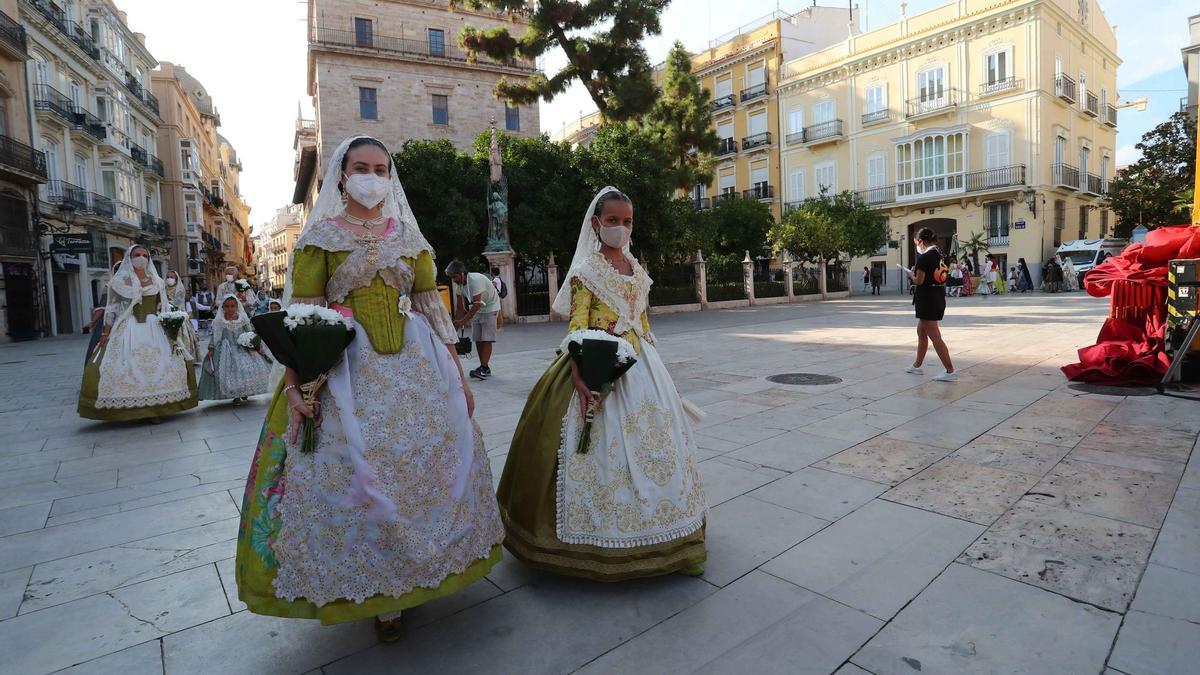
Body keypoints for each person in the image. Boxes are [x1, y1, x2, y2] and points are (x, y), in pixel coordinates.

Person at [234, 135, 502, 642]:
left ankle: (422, 568)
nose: (372, 177)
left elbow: (430, 308)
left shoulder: (409, 238)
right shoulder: (319, 240)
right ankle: (378, 592)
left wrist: (458, 376)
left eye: (381, 169)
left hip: (416, 366)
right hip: (341, 370)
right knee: (356, 471)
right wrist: (296, 388)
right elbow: (302, 321)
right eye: (362, 167)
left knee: (423, 462)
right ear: (342, 174)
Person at [496, 187, 707, 582]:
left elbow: (642, 324)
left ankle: (677, 542)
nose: (621, 228)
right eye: (613, 221)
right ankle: (584, 547)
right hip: (595, 362)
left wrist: (658, 370)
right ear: (596, 224)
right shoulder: (586, 272)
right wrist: (581, 373)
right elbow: (578, 325)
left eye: (627, 221)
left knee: (658, 450)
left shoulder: (637, 270)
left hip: (642, 366)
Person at [78, 246, 198, 422]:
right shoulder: (119, 282)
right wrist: (105, 333)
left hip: (155, 328)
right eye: (137, 255)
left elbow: (162, 306)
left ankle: (157, 409)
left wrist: (171, 327)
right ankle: (131, 409)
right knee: (118, 366)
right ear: (129, 258)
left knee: (162, 366)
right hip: (127, 327)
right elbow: (111, 310)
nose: (141, 258)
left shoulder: (156, 282)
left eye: (144, 255)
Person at [902, 227, 956, 382]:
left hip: (927, 299)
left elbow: (919, 281)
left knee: (935, 336)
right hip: (938, 296)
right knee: (921, 332)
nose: (916, 247)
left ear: (921, 241)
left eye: (916, 243)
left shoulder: (924, 258)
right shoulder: (941, 255)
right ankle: (917, 365)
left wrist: (910, 274)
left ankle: (950, 370)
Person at [199, 294, 271, 404]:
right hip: (226, 348)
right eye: (227, 306)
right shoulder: (220, 320)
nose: (230, 309)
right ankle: (236, 395)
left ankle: (245, 391)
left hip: (242, 347)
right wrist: (211, 348)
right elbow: (216, 335)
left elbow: (249, 332)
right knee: (230, 372)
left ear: (237, 306)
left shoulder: (242, 318)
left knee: (246, 370)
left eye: (232, 306)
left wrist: (253, 343)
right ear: (223, 307)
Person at [446, 260, 501, 380]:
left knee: (486, 338)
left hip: (490, 307)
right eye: (451, 278)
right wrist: (455, 327)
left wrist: (464, 321)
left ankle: (484, 367)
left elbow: (477, 304)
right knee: (477, 338)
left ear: (461, 273)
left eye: (454, 277)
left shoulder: (475, 280)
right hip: (478, 309)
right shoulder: (459, 286)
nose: (453, 280)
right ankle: (483, 367)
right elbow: (460, 308)